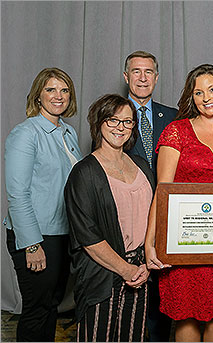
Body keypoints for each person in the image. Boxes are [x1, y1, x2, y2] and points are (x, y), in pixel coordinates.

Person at [145, 64, 213, 342]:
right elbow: (163, 191)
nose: (207, 97)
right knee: (186, 316)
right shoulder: (176, 132)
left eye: (212, 89)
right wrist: (150, 243)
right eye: (198, 92)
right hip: (182, 242)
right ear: (191, 97)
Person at [64, 94, 152, 341]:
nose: (120, 127)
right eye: (113, 120)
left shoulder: (142, 165)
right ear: (99, 122)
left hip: (141, 271)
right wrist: (126, 270)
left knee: (133, 337)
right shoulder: (84, 173)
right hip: (101, 276)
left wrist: (144, 265)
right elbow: (87, 236)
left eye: (127, 121)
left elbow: (156, 217)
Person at [4, 67, 82, 341]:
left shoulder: (68, 133)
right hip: (36, 236)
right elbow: (17, 194)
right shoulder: (26, 134)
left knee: (52, 306)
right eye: (50, 89)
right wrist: (32, 245)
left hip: (62, 235)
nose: (58, 96)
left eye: (64, 90)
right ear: (38, 95)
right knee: (37, 310)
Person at [123, 50, 176, 341]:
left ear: (156, 77)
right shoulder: (113, 115)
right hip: (128, 216)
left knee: (160, 291)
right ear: (126, 76)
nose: (142, 78)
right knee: (129, 289)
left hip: (166, 216)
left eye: (148, 72)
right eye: (136, 71)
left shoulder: (172, 117)